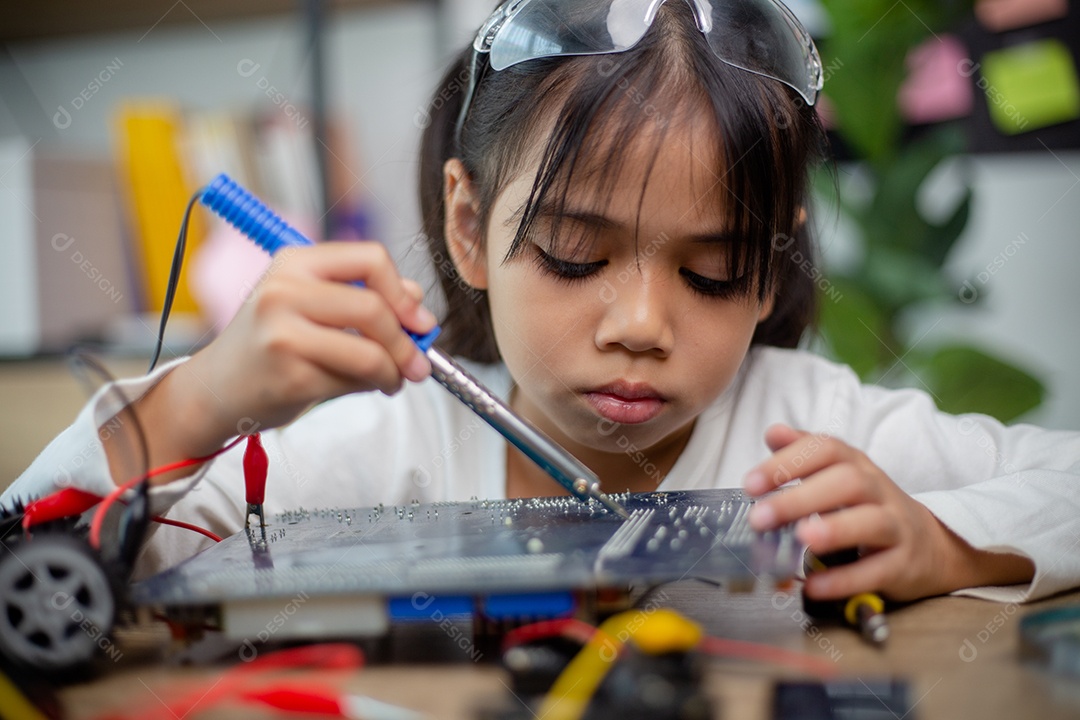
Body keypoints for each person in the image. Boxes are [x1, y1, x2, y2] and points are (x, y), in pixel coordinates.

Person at [5, 0, 1079, 604]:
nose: (643, 325)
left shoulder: (816, 431)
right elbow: (28, 566)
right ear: (468, 227)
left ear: (776, 260)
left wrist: (950, 546)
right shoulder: (379, 451)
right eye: (572, 253)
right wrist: (193, 406)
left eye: (712, 270)